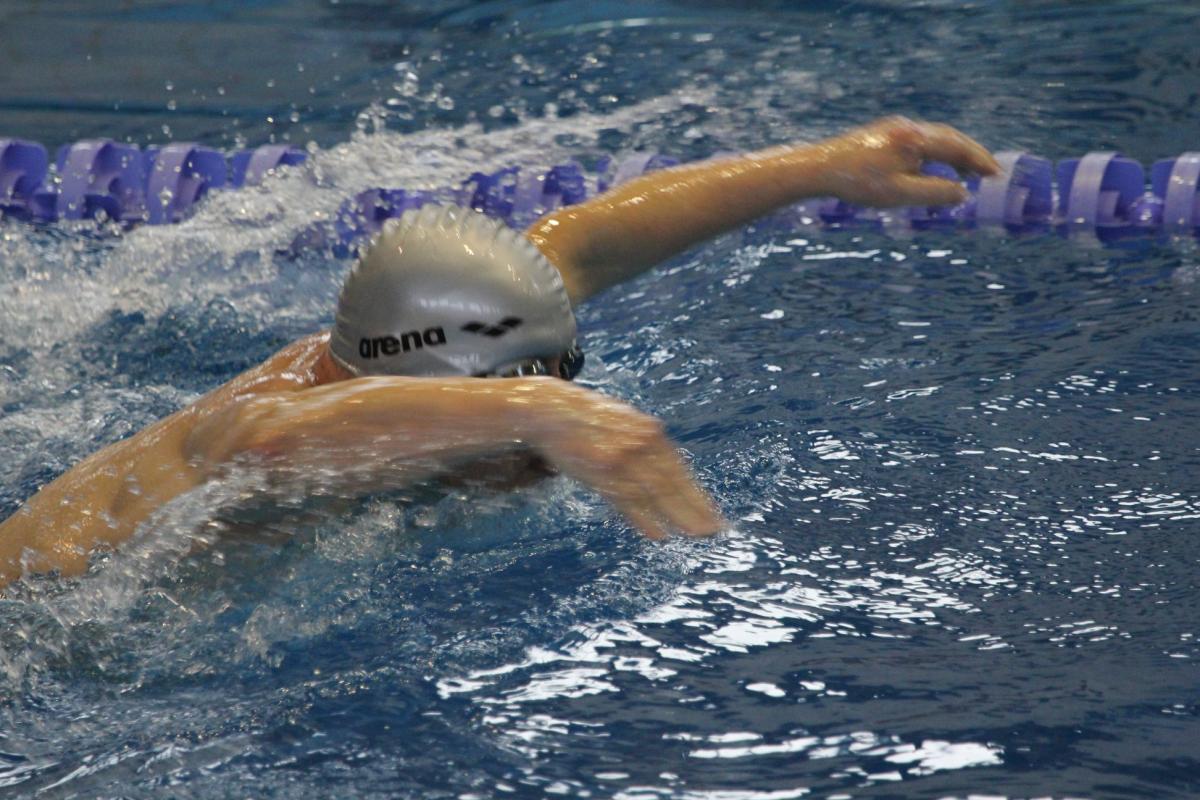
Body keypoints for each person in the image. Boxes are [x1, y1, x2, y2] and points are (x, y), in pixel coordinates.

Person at [0, 116, 999, 589]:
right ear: (421, 392)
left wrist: (820, 167)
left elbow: (583, 243)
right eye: (501, 408)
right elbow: (263, 441)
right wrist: (543, 413)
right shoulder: (270, 427)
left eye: (560, 377)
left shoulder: (423, 332)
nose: (536, 462)